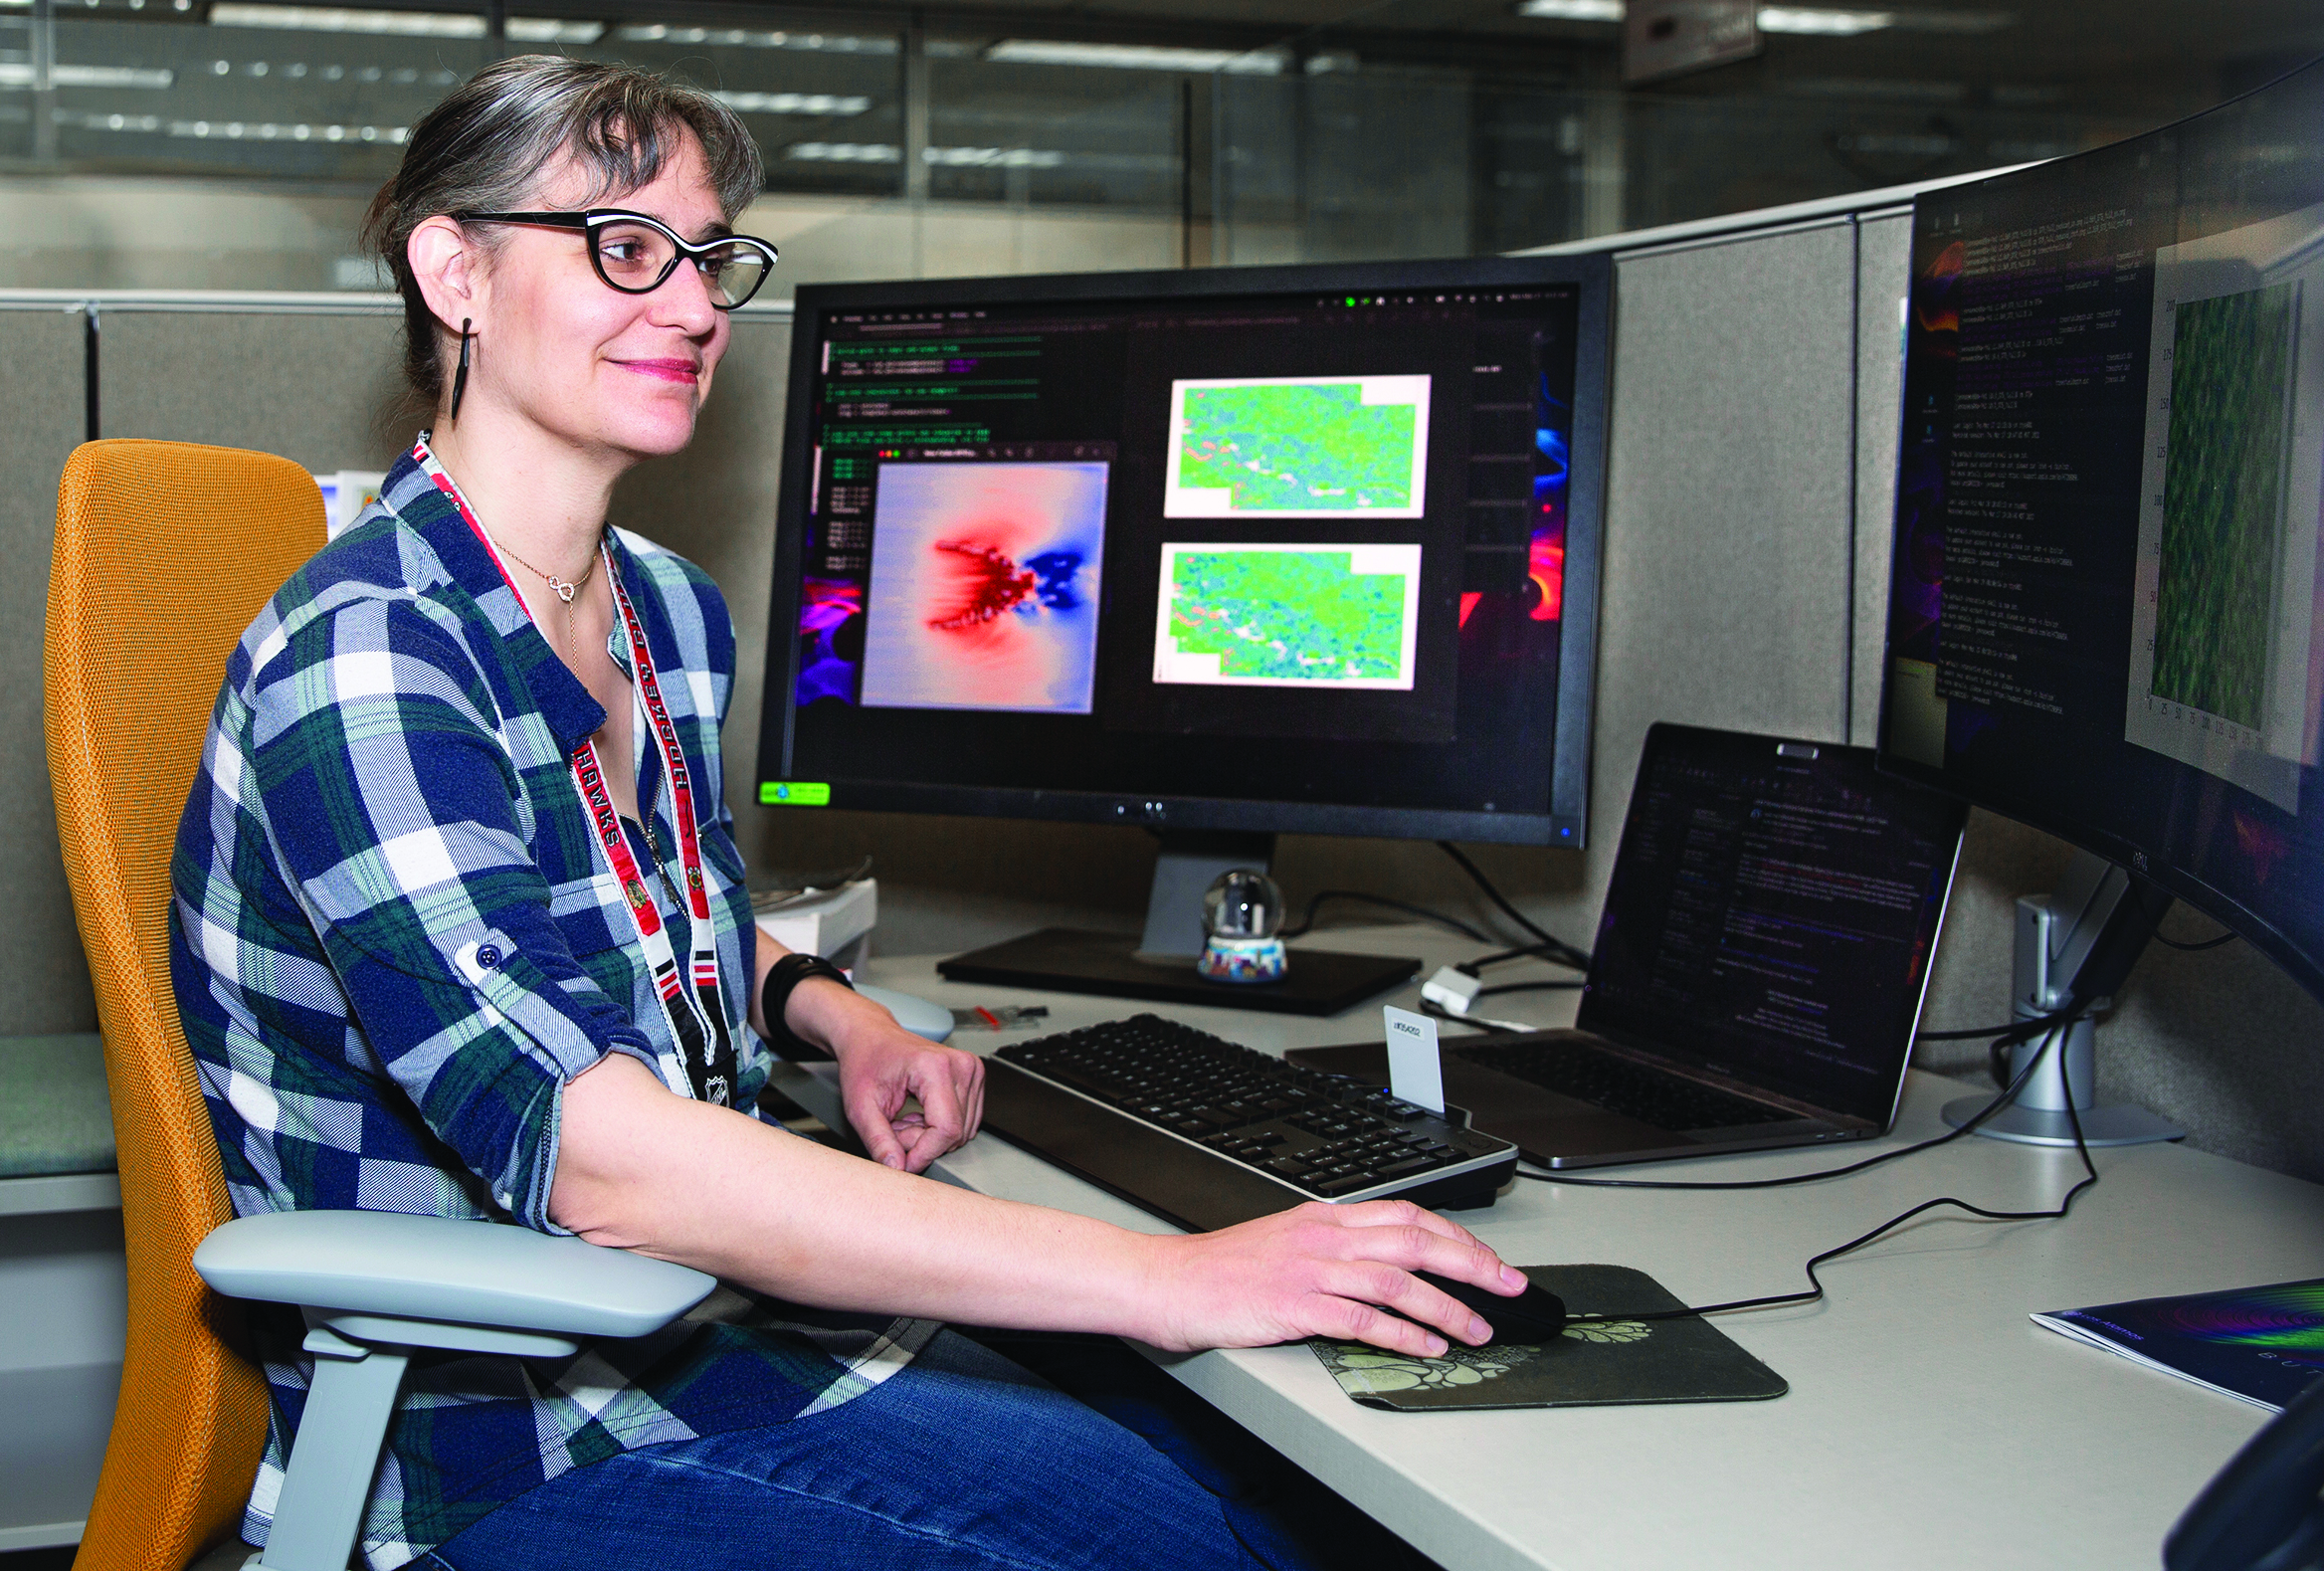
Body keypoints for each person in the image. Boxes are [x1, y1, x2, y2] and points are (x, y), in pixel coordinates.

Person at [170, 55, 1529, 1571]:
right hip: (503, 1431)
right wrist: (1173, 1273)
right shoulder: (373, 655)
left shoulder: (662, 611)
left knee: (1286, 1487)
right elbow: (603, 1159)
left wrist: (828, 1012)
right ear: (455, 269)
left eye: (712, 261)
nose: (693, 311)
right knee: (1205, 1535)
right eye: (626, 249)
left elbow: (618, 910)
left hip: (720, 1334)